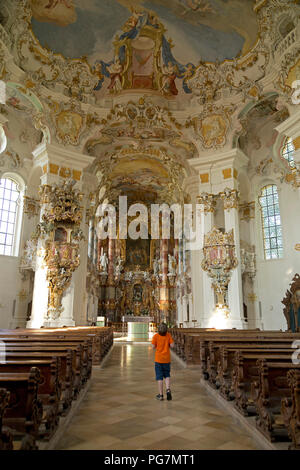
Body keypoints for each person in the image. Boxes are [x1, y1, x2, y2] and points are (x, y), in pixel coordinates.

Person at [151, 323, 174, 401]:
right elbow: (172, 345)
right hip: (167, 359)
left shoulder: (156, 336)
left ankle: (161, 395)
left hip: (158, 360)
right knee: (167, 375)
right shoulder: (168, 335)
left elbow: (153, 347)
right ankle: (168, 389)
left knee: (159, 377)